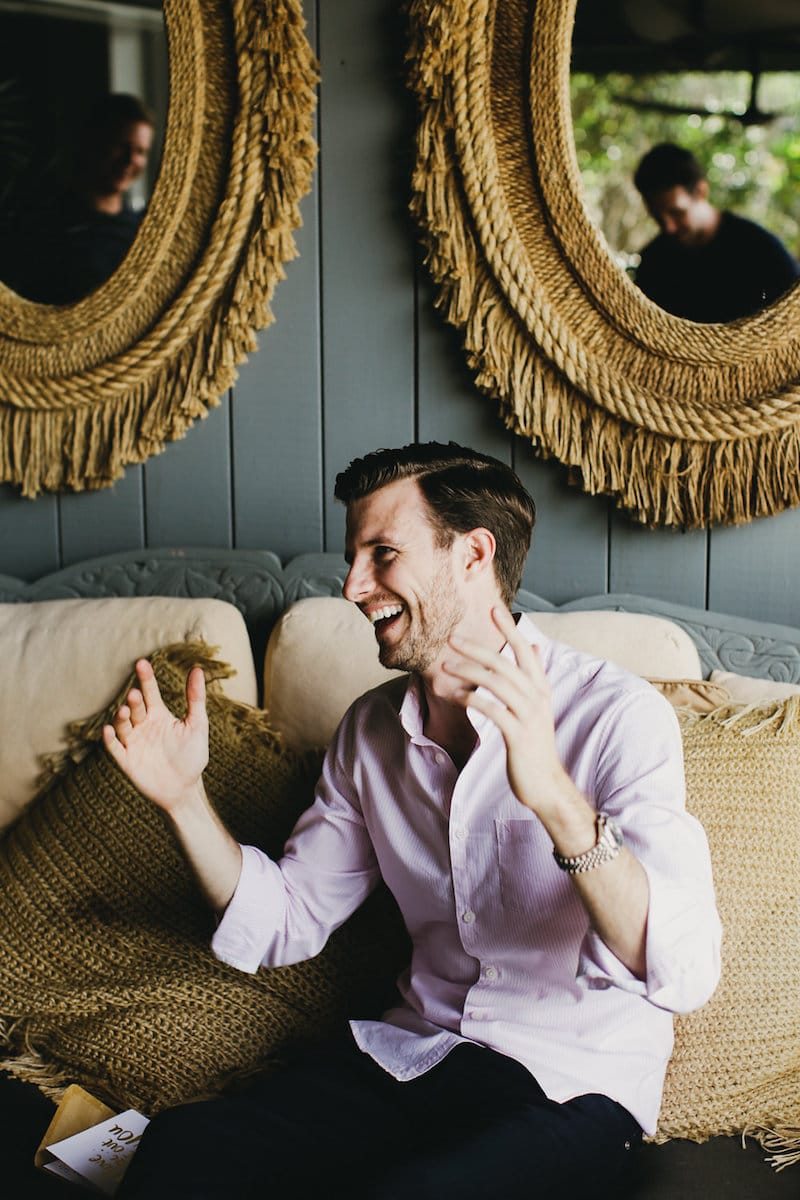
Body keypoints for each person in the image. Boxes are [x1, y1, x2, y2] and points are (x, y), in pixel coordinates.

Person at [105, 441, 721, 1200]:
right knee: (183, 1150)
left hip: (570, 1085)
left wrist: (556, 800)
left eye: (382, 553)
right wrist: (182, 799)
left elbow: (682, 967)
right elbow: (288, 918)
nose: (354, 585)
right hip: (412, 1055)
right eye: (354, 557)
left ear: (473, 553)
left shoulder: (617, 714)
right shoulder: (369, 731)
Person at [1, 93, 154, 304]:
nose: (130, 160)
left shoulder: (142, 229)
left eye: (140, 151)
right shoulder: (46, 223)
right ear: (94, 141)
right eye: (121, 146)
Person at [633, 142, 799, 323]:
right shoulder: (653, 262)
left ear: (701, 191)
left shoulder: (762, 250)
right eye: (657, 217)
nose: (668, 227)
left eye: (677, 213)